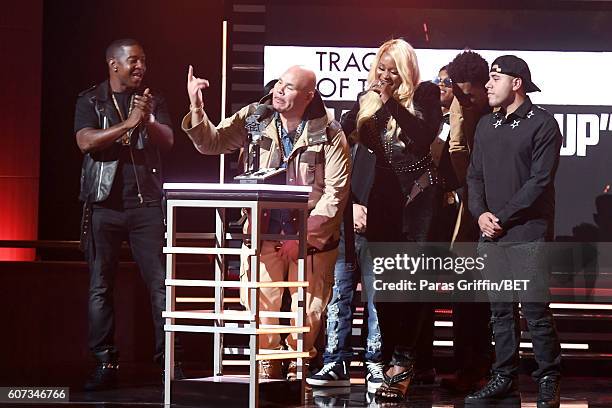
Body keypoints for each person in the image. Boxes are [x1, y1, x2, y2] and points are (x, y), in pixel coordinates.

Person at [182, 65, 350, 380]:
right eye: (278, 84)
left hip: (311, 241)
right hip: (262, 232)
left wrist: (300, 235)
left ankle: (297, 368)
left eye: (288, 87)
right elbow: (211, 143)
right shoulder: (255, 117)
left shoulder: (329, 131)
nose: (278, 91)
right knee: (262, 308)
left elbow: (335, 194)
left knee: (308, 311)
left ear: (308, 95)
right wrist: (196, 107)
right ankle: (268, 369)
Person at [341, 39, 442, 402]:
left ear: (405, 70)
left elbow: (421, 137)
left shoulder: (426, 95)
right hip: (383, 197)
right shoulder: (368, 100)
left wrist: (390, 103)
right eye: (380, 69)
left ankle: (404, 359)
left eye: (392, 70)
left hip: (418, 198)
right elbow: (350, 138)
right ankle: (388, 355)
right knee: (383, 285)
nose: (385, 76)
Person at [75, 38, 177, 391]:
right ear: (113, 64)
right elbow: (86, 141)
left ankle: (166, 364)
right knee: (100, 287)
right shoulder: (91, 99)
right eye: (133, 61)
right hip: (103, 206)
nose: (140, 67)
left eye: (144, 61)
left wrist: (145, 119)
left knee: (161, 286)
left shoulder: (153, 100)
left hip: (145, 205)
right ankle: (105, 363)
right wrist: (127, 123)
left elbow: (167, 141)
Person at [465, 55, 562, 408]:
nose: (487, 85)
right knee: (500, 312)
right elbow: (474, 176)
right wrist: (479, 214)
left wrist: (500, 216)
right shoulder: (486, 125)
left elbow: (539, 181)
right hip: (492, 233)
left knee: (535, 310)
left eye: (494, 78)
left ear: (516, 82)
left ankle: (548, 377)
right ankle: (504, 376)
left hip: (528, 233)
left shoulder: (543, 125)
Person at [306, 142, 384, 393]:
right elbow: (333, 181)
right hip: (343, 228)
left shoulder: (398, 139)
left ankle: (376, 361)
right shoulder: (345, 138)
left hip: (383, 230)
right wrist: (347, 208)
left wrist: (381, 214)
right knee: (338, 295)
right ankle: (336, 361)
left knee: (377, 300)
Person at [439, 50, 494, 393]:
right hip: (466, 211)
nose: (464, 99)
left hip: (494, 211)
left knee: (491, 301)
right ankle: (466, 368)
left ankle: (491, 370)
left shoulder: (496, 112)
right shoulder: (459, 108)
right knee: (464, 297)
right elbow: (456, 154)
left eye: (469, 93)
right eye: (459, 93)